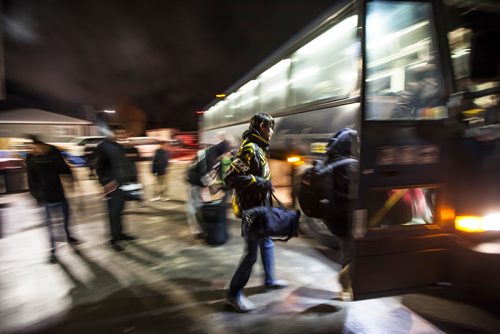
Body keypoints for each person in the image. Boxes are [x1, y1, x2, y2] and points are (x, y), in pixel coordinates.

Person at [223, 112, 287, 313]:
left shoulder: (258, 148)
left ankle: (269, 280)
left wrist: (265, 186)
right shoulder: (249, 149)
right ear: (260, 126)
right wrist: (260, 182)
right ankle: (234, 293)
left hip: (261, 207)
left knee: (266, 243)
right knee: (251, 254)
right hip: (250, 210)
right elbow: (230, 177)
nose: (272, 132)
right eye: (269, 127)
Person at [26, 135, 80, 263]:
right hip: (45, 198)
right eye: (34, 147)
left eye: (39, 147)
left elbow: (64, 170)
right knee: (50, 226)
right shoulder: (32, 161)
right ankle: (52, 251)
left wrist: (55, 156)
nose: (37, 149)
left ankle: (68, 236)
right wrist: (37, 196)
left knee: (66, 218)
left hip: (59, 195)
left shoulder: (52, 157)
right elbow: (31, 181)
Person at [323, 128, 359, 301]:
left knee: (347, 250)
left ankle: (348, 286)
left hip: (333, 218)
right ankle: (345, 282)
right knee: (353, 251)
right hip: (346, 217)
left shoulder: (330, 162)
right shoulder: (351, 165)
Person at [95, 125, 137, 252]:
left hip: (121, 184)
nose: (122, 135)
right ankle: (113, 239)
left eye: (123, 133)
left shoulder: (117, 146)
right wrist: (106, 182)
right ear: (111, 133)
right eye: (119, 133)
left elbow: (124, 164)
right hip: (112, 186)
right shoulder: (102, 147)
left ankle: (120, 234)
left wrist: (130, 178)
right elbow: (98, 167)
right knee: (113, 213)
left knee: (120, 211)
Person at [185, 140, 231, 237]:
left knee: (203, 204)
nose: (227, 155)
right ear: (222, 150)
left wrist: (217, 188)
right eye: (226, 152)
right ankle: (196, 231)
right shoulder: (210, 156)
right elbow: (205, 176)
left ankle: (204, 226)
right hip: (193, 181)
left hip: (201, 182)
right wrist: (215, 190)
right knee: (194, 206)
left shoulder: (215, 155)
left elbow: (213, 175)